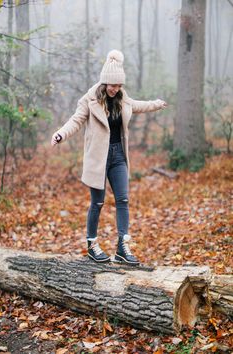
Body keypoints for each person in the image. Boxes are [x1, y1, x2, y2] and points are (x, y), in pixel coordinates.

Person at [51, 49, 167, 265]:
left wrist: (156, 104)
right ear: (104, 83)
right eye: (112, 85)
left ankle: (123, 246)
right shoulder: (90, 99)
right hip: (98, 158)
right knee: (97, 202)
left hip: (118, 156)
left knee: (123, 200)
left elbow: (138, 106)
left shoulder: (122, 98)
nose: (115, 89)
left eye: (119, 85)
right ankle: (92, 245)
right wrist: (60, 134)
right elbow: (75, 121)